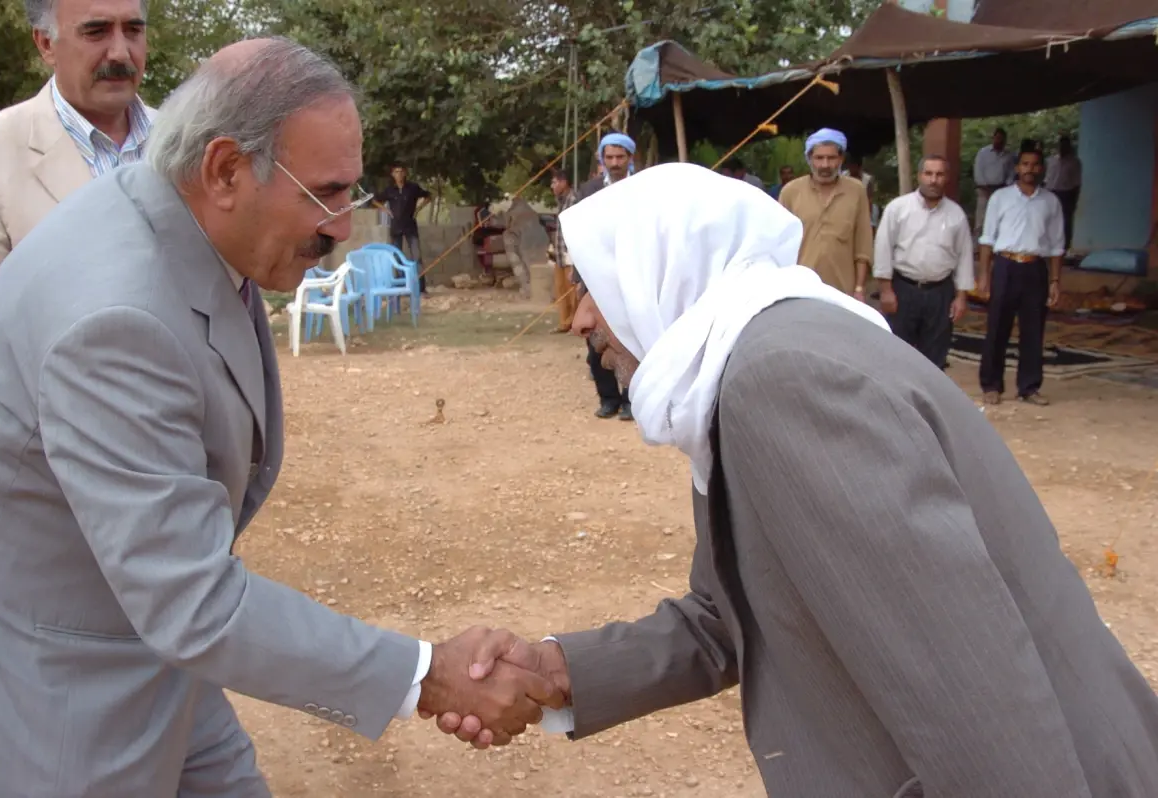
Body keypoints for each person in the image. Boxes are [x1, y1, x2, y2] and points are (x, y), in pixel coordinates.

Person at [429, 162, 1158, 797]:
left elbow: (970, 690)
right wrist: (556, 671)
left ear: (662, 270)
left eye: (595, 287)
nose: (579, 318)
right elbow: (728, 616)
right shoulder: (742, 366)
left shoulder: (782, 382)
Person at [0, 38, 561, 796]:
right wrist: (427, 675)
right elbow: (193, 601)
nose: (342, 224)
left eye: (351, 192)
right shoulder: (113, 318)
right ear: (223, 171)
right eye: (326, 194)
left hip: (157, 654)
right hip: (67, 701)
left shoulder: (181, 233)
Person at [0, 0, 155, 368]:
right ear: (46, 43)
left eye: (133, 30)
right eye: (96, 31)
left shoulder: (190, 148)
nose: (119, 51)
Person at [978, 148, 1065, 407]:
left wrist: (1055, 281)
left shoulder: (1050, 202)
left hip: (1035, 268)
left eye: (1035, 165)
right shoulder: (1000, 198)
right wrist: (984, 274)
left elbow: (1057, 246)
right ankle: (991, 385)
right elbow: (986, 238)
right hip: (1005, 265)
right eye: (1025, 164)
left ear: (1041, 169)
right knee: (997, 328)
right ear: (1017, 168)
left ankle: (1029, 387)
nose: (1030, 169)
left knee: (1033, 330)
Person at [874, 155, 974, 368]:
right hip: (903, 289)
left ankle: (927, 401)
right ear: (919, 176)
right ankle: (897, 400)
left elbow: (964, 256)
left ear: (946, 178)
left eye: (939, 174)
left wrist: (961, 297)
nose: (933, 180)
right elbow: (883, 248)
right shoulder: (898, 208)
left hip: (940, 292)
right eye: (928, 173)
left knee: (935, 356)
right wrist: (885, 289)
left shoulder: (956, 215)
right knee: (896, 351)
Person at [574, 131, 635, 420]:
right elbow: (577, 236)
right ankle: (608, 398)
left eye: (620, 157)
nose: (614, 162)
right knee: (597, 337)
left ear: (630, 158)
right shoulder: (588, 190)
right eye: (609, 157)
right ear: (602, 158)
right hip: (595, 275)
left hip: (633, 273)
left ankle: (631, 400)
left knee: (632, 337)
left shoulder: (642, 187)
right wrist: (579, 279)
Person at [778, 128, 873, 298]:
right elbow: (779, 244)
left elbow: (863, 244)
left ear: (841, 159)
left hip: (843, 290)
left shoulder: (856, 191)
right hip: (800, 290)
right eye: (819, 158)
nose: (825, 165)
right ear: (809, 159)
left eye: (831, 158)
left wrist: (859, 288)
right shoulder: (791, 192)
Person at [372, 161, 432, 293]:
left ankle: (421, 288)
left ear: (405, 173)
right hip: (395, 227)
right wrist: (386, 210)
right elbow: (375, 200)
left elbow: (428, 196)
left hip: (410, 226)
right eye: (396, 172)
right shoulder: (389, 190)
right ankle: (401, 287)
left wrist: (418, 210)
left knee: (416, 257)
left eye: (401, 172)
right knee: (397, 258)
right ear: (392, 175)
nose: (399, 174)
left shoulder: (413, 188)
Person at [549, 168, 579, 332]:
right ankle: (564, 322)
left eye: (554, 182)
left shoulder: (573, 200)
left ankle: (574, 321)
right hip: (559, 253)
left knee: (572, 289)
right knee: (561, 289)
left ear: (563, 182)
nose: (552, 186)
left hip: (569, 254)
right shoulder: (561, 201)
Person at [973, 127, 1014, 235]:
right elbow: (978, 170)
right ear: (993, 138)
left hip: (1001, 188)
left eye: (1002, 139)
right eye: (997, 138)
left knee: (999, 215)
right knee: (981, 216)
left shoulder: (1008, 155)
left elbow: (1011, 172)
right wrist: (984, 186)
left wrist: (1007, 186)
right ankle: (978, 242)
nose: (999, 141)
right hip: (984, 189)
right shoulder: (983, 152)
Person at [1045, 135, 1082, 252]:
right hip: (1050, 192)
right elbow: (1046, 178)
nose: (1062, 148)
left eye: (1065, 145)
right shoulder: (1050, 160)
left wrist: (1074, 200)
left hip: (1066, 193)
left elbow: (1077, 182)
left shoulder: (1074, 162)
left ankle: (1064, 247)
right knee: (1048, 219)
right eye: (1060, 145)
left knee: (1065, 221)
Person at [498, 194, 539, 298]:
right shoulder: (530, 211)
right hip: (533, 240)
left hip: (517, 239)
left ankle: (526, 288)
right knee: (531, 264)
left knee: (518, 264)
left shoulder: (511, 211)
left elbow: (507, 225)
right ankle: (535, 289)